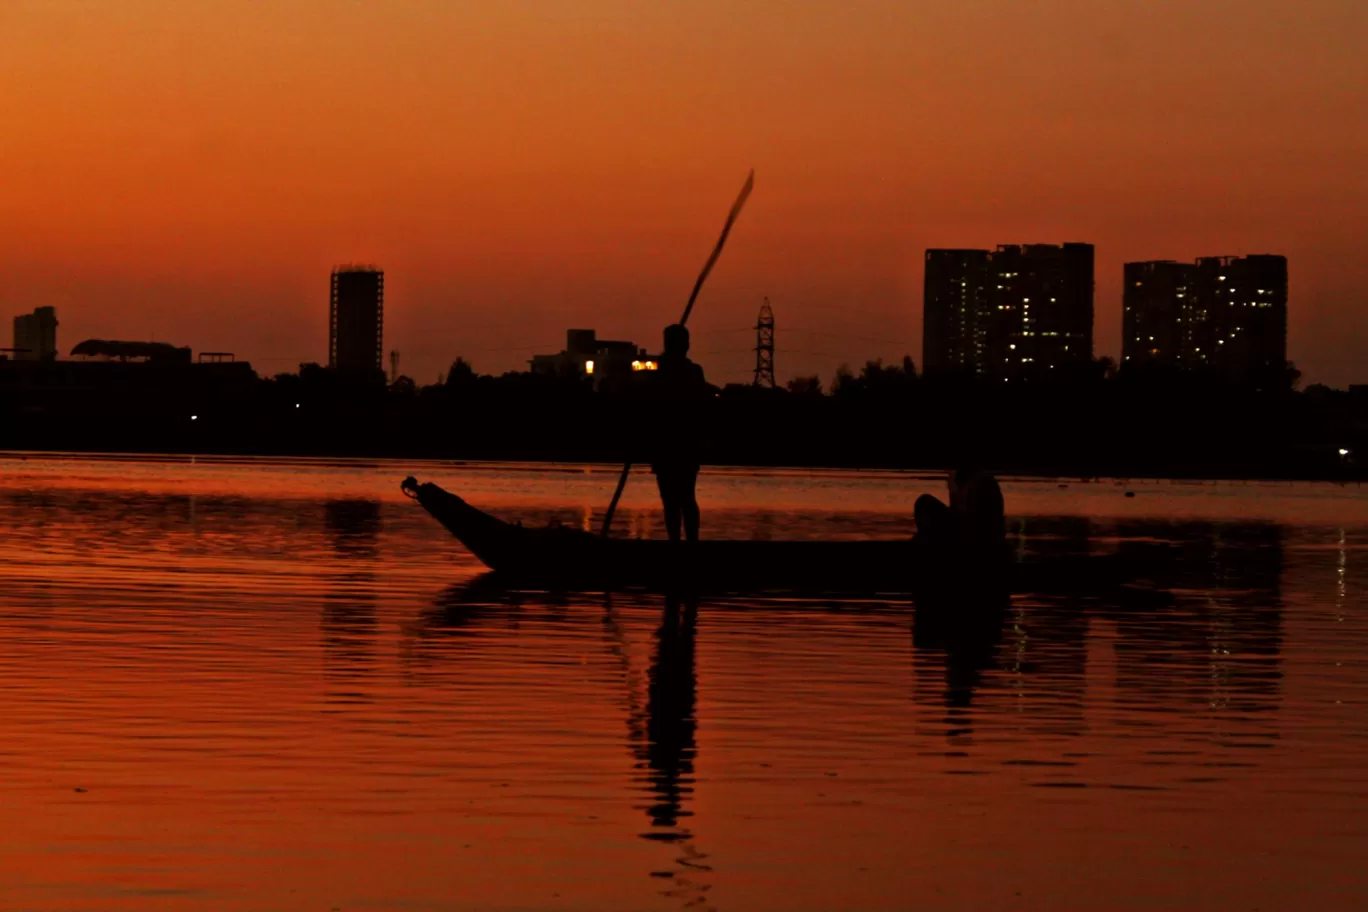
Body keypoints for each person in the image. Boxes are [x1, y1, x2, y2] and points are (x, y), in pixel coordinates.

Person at [649, 324, 711, 542]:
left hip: (680, 443)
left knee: (681, 497)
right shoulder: (666, 371)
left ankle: (685, 540)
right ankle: (678, 540)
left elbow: (700, 405)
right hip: (670, 443)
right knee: (676, 498)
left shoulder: (687, 371)